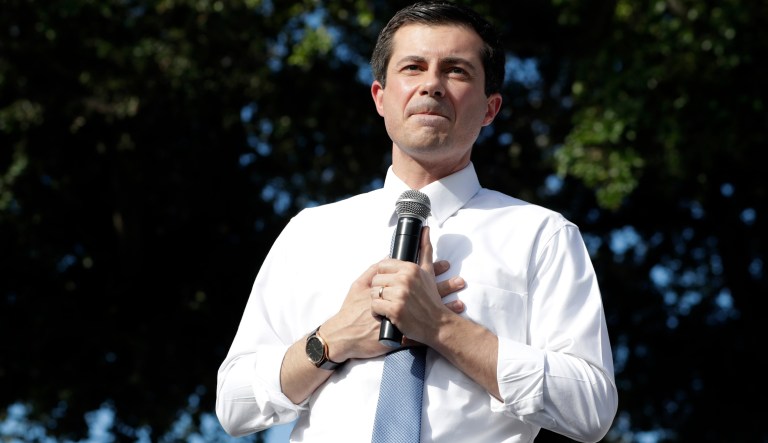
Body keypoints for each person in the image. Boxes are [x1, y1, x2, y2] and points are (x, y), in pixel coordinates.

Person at [216, 1, 618, 442]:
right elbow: (234, 404)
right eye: (413, 67)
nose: (432, 85)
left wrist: (442, 327)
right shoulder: (310, 233)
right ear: (380, 97)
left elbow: (591, 406)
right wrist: (332, 339)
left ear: (490, 108)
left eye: (456, 71)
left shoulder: (542, 235)